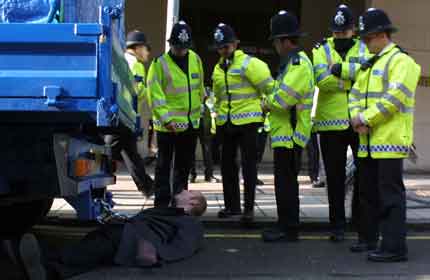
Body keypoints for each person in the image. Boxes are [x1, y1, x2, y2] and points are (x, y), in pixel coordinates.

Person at [348, 8, 420, 262]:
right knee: (367, 194)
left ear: (380, 35)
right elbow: (354, 94)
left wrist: (365, 118)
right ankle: (368, 239)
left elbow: (394, 98)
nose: (365, 43)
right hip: (367, 141)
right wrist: (356, 118)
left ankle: (394, 247)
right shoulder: (370, 65)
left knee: (390, 197)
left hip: (389, 141)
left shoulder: (402, 62)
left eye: (367, 38)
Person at [17, 190, 207, 280]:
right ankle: (37, 260)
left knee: (86, 253)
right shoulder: (171, 211)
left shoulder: (191, 223)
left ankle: (46, 270)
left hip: (130, 238)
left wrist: (153, 252)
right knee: (87, 248)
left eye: (188, 192)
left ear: (192, 202)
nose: (183, 191)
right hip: (124, 230)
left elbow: (183, 247)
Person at [312, 4, 370, 242]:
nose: (339, 37)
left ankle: (358, 220)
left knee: (363, 173)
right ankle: (337, 225)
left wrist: (340, 70)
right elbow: (321, 81)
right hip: (330, 123)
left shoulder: (365, 46)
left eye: (344, 32)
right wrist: (352, 78)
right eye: (336, 32)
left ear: (353, 30)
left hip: (358, 120)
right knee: (334, 178)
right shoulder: (320, 49)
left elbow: (369, 76)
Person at [211, 23, 274, 223]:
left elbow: (270, 88)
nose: (223, 51)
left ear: (236, 44)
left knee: (248, 167)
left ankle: (248, 209)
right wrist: (217, 121)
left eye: (227, 47)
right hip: (226, 123)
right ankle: (232, 207)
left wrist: (266, 108)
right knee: (227, 167)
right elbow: (218, 97)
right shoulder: (218, 68)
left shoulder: (250, 64)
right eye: (220, 47)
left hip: (248, 123)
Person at [261, 11, 314, 242]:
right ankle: (284, 224)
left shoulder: (299, 64)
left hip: (291, 135)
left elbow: (282, 101)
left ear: (284, 41)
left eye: (275, 41)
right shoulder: (290, 65)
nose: (274, 45)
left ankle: (289, 228)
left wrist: (266, 104)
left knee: (287, 185)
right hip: (284, 134)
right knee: (283, 184)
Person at [147, 21, 205, 207]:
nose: (181, 51)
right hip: (167, 127)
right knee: (163, 166)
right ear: (171, 44)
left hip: (190, 125)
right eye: (178, 47)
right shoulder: (159, 64)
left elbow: (200, 88)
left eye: (185, 48)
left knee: (183, 167)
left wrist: (201, 109)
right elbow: (155, 95)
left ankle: (180, 204)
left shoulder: (195, 59)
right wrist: (166, 119)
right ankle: (161, 204)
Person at [108, 30, 154, 196]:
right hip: (126, 115)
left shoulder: (121, 59)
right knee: (108, 151)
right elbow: (138, 90)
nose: (148, 52)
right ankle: (97, 188)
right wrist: (152, 92)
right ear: (138, 48)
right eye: (146, 48)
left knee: (129, 152)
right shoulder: (136, 64)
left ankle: (147, 186)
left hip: (117, 113)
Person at [189, 88, 221, 183]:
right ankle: (191, 174)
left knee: (207, 150)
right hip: (193, 122)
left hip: (205, 124)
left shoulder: (209, 92)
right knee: (190, 149)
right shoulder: (191, 86)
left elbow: (214, 106)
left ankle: (209, 174)